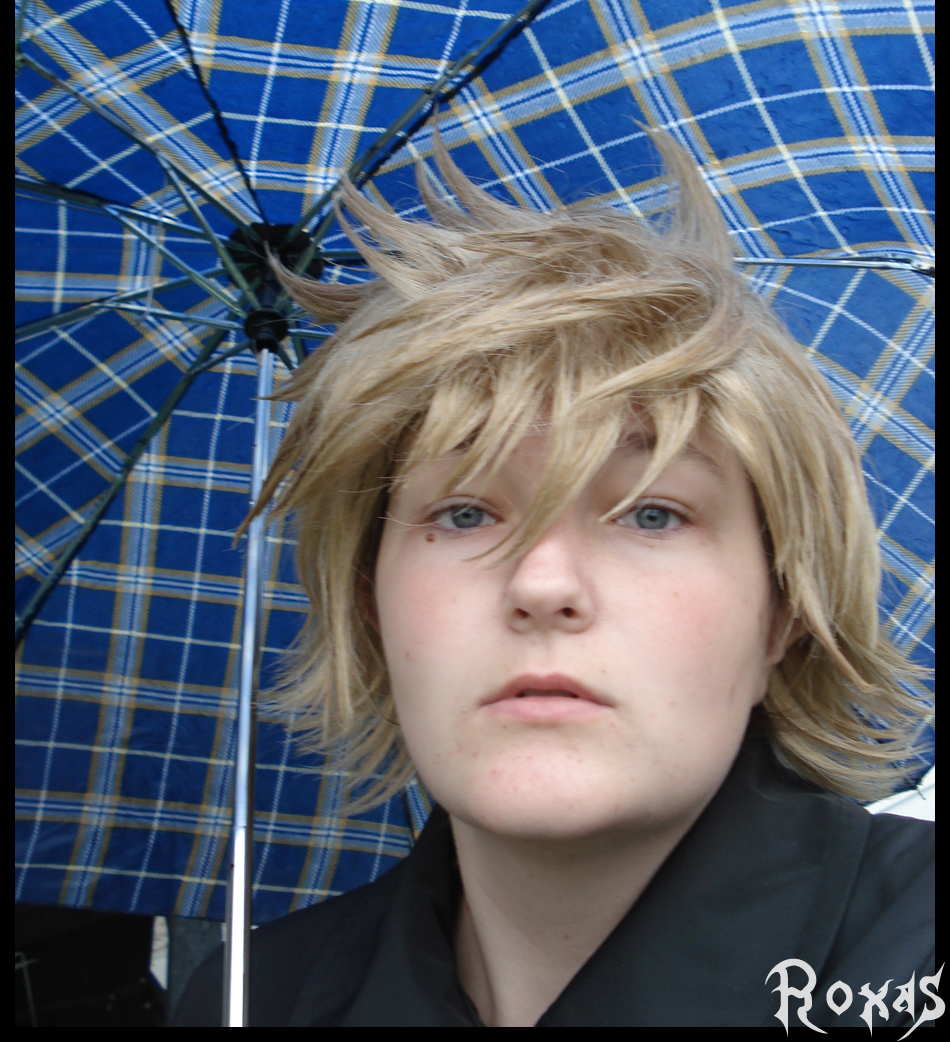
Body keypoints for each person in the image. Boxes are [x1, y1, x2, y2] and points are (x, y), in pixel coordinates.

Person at [174, 127, 935, 1028]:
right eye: (465, 512)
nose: (542, 583)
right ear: (369, 598)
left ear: (783, 610)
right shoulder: (251, 996)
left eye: (652, 511)